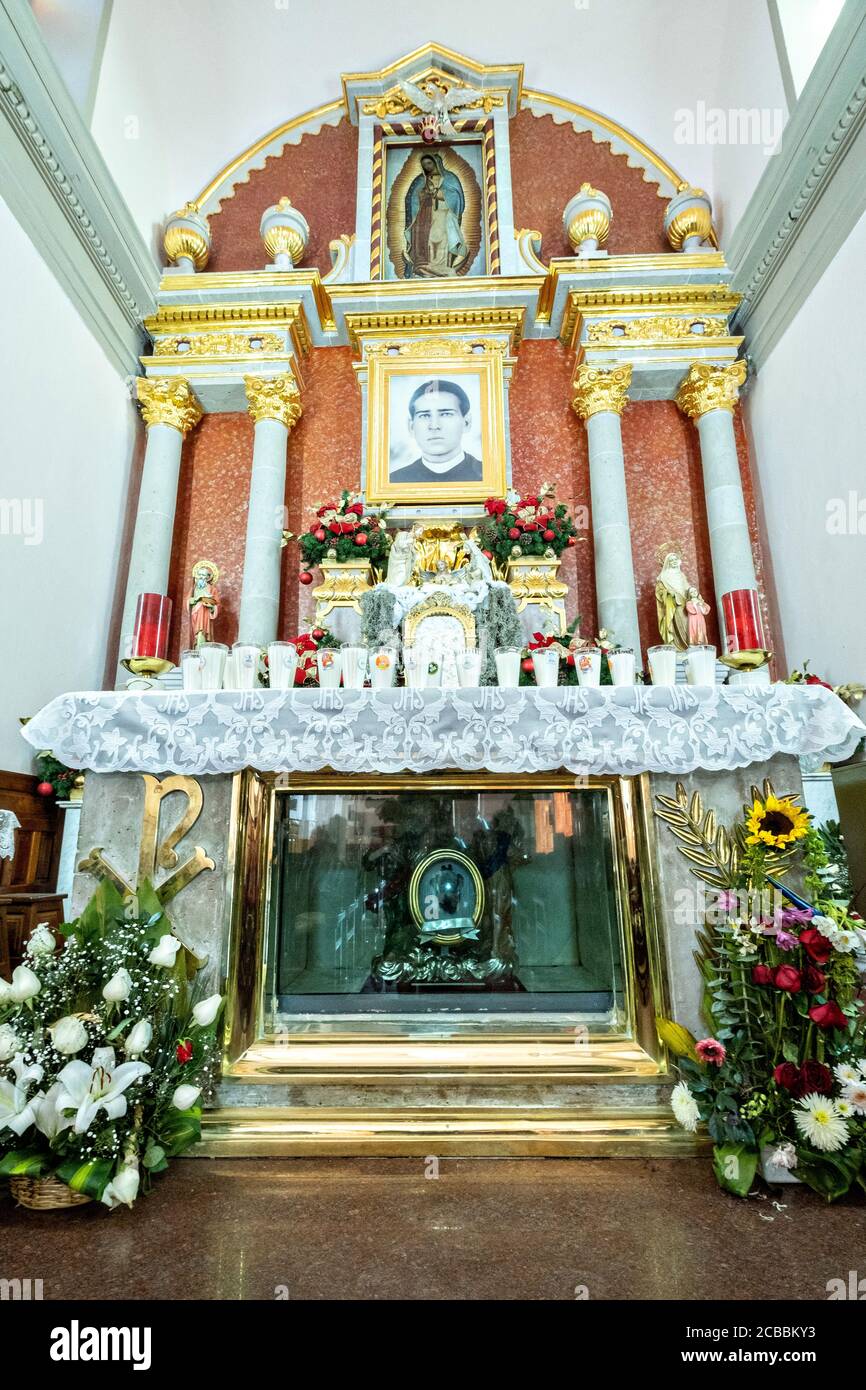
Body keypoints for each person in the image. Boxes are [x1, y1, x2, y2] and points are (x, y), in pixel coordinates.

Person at [392, 378, 482, 485]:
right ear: (411, 426)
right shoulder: (395, 481)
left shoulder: (488, 476)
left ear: (466, 422)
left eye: (446, 414)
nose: (434, 426)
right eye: (424, 415)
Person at [403, 151, 467, 278]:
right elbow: (412, 200)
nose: (427, 166)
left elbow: (456, 197)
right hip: (425, 215)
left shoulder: (450, 178)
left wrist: (440, 194)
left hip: (443, 214)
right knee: (425, 236)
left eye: (429, 163)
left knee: (442, 238)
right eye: (424, 165)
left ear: (436, 162)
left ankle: (443, 268)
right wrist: (424, 195)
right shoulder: (421, 181)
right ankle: (425, 266)